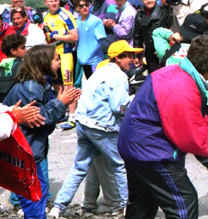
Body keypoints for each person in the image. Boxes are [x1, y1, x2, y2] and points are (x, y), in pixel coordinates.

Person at [118, 35, 208, 219]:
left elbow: (189, 116)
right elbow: (194, 142)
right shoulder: (183, 87)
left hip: (134, 145)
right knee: (184, 201)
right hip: (151, 152)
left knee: (143, 204)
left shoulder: (174, 72)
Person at [49, 41, 142, 218]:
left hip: (84, 123)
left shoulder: (100, 71)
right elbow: (119, 107)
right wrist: (136, 99)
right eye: (128, 56)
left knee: (79, 168)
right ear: (118, 58)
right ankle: (126, 207)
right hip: (102, 127)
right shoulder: (119, 77)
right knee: (120, 165)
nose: (132, 59)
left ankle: (58, 208)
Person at [2, 45, 81, 218]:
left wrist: (61, 102)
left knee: (39, 191)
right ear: (43, 63)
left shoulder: (41, 84)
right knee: (34, 195)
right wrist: (61, 102)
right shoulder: (31, 87)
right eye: (56, 59)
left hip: (32, 148)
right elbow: (38, 118)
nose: (59, 62)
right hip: (24, 150)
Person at [42, 0, 79, 130]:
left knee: (68, 84)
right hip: (52, 55)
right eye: (51, 1)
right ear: (46, 3)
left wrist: (56, 36)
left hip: (65, 53)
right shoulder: (45, 16)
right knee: (56, 85)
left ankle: (73, 116)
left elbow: (74, 36)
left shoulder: (65, 15)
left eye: (56, 1)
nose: (53, 3)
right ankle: (60, 112)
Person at [134, 0, 171, 73]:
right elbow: (137, 36)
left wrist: (167, 8)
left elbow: (169, 23)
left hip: (164, 51)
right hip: (150, 53)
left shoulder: (163, 11)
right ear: (142, 1)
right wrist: (137, 55)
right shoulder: (139, 15)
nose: (149, 1)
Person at [75, 0, 106, 80]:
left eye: (86, 5)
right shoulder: (76, 22)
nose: (84, 7)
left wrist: (89, 55)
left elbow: (99, 41)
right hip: (84, 61)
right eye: (81, 6)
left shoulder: (96, 21)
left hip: (95, 61)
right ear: (77, 8)